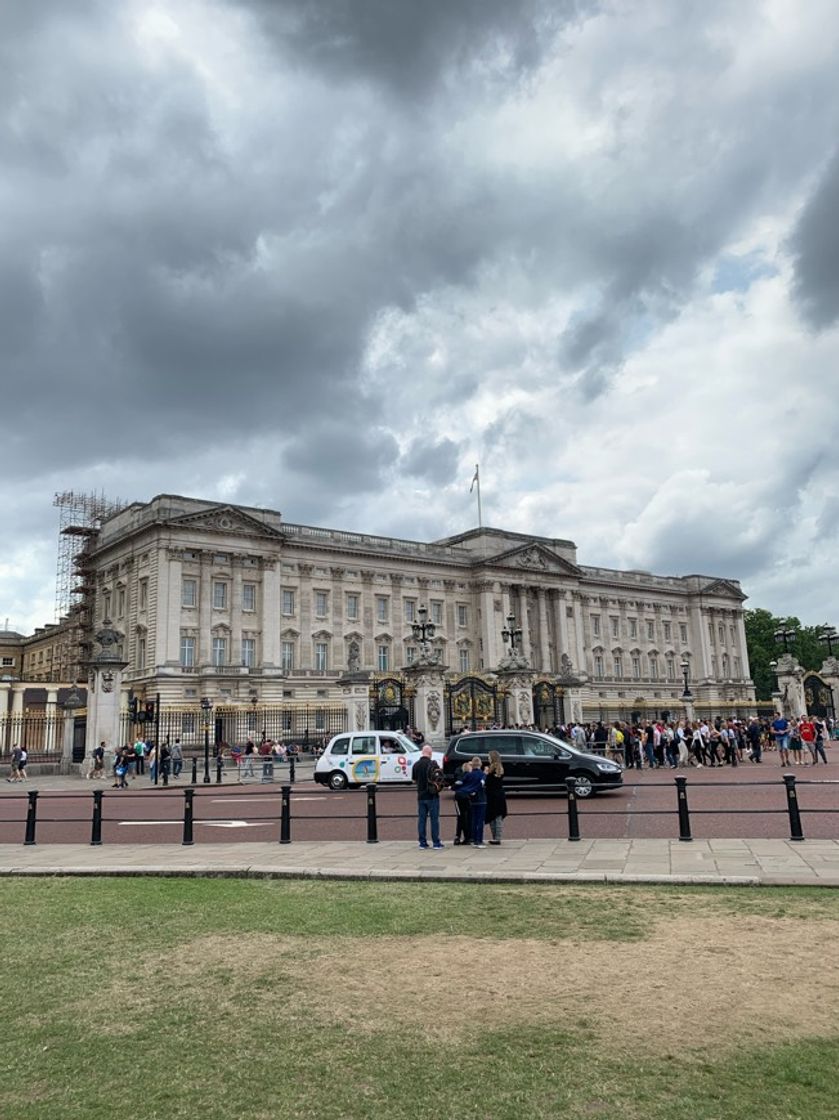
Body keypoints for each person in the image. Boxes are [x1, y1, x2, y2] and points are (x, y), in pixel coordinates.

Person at [411, 745, 444, 850]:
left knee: (422, 820)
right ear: (430, 753)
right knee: (434, 820)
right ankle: (436, 842)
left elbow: (414, 780)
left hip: (421, 796)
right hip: (432, 795)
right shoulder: (433, 764)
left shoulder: (416, 765)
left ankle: (422, 842)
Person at [458, 756, 488, 848]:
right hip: (481, 799)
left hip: (473, 800)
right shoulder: (482, 774)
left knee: (474, 820)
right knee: (480, 821)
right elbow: (482, 783)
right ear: (480, 764)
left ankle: (474, 839)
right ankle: (479, 840)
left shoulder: (469, 774)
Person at [484, 750, 507, 845]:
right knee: (498, 817)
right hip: (500, 794)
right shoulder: (500, 769)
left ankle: (496, 838)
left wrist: (485, 774)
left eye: (489, 757)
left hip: (491, 795)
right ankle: (497, 837)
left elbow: (488, 783)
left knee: (493, 816)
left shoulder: (490, 771)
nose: (488, 759)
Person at [452, 760, 473, 845]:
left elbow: (455, 785)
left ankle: (458, 836)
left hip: (459, 797)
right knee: (468, 817)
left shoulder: (459, 774)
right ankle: (468, 837)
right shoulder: (471, 775)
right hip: (467, 797)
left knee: (461, 817)